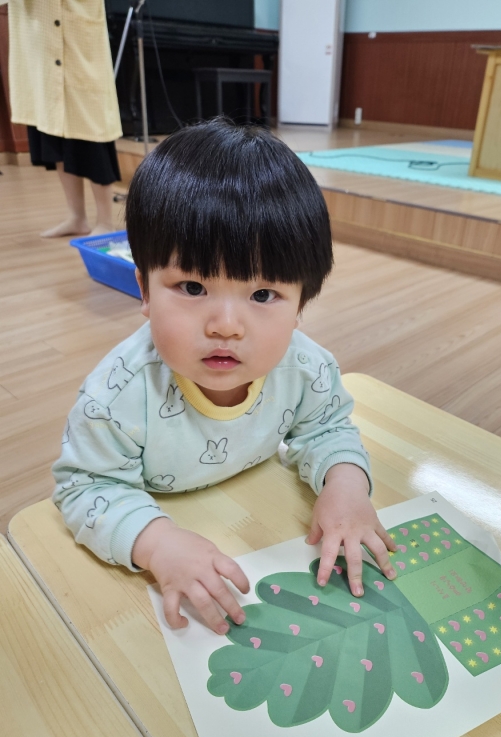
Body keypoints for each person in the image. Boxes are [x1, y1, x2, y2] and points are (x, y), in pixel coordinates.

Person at [52, 119, 398, 634]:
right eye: (192, 287)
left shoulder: (305, 368)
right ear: (144, 290)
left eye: (263, 295)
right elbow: (85, 486)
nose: (226, 326)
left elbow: (327, 429)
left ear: (301, 304)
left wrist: (346, 486)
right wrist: (157, 543)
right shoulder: (118, 394)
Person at [4, 0, 122, 237]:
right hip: (39, 38)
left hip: (77, 35)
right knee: (54, 131)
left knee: (93, 130)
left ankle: (106, 222)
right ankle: (76, 217)